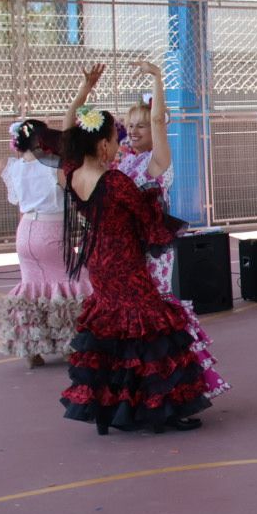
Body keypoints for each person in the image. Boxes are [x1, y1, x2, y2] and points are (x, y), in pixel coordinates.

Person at [71, 61, 228, 397]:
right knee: (132, 322)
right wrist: (85, 94)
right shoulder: (121, 164)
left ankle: (168, 388)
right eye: (131, 126)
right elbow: (78, 139)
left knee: (154, 318)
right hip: (123, 254)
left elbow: (159, 119)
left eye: (142, 125)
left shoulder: (157, 162)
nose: (137, 131)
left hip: (150, 253)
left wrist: (158, 79)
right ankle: (140, 389)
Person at [58, 106, 212, 435]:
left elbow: (67, 134)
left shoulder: (72, 174)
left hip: (98, 262)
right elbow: (148, 221)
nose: (120, 145)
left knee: (112, 329)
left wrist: (81, 97)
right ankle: (160, 408)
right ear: (102, 146)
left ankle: (113, 407)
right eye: (116, 139)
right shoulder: (113, 181)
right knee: (150, 331)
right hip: (124, 262)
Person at [0, 119, 89, 368]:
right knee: (70, 283)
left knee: (32, 288)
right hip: (53, 231)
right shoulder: (55, 168)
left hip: (25, 235)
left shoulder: (12, 167)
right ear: (43, 141)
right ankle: (69, 344)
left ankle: (32, 348)